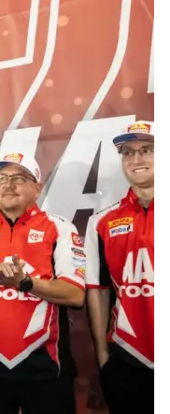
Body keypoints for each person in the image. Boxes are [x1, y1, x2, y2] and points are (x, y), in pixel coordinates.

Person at [0, 152, 85, 414]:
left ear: (37, 188)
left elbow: (74, 295)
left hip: (46, 367)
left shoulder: (59, 228)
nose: (8, 184)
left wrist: (24, 283)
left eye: (19, 178)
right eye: (2, 177)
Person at [85, 121, 160, 414]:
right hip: (128, 361)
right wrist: (103, 357)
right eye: (127, 153)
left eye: (147, 150)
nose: (136, 159)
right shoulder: (101, 222)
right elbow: (98, 291)